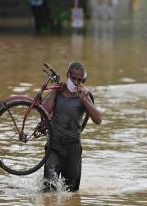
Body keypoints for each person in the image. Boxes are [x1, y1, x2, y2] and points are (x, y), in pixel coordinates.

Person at [41, 61, 102, 192]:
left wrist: (84, 100)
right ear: (68, 75)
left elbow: (98, 119)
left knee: (71, 193)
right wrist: (54, 92)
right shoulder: (58, 92)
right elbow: (43, 112)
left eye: (79, 80)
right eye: (73, 78)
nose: (76, 82)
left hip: (73, 149)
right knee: (48, 190)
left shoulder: (84, 96)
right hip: (54, 147)